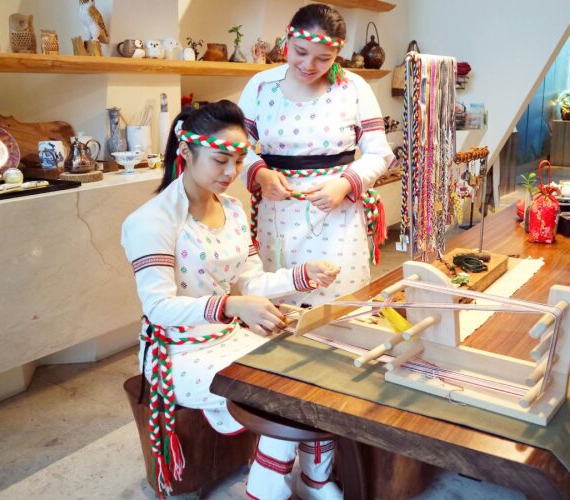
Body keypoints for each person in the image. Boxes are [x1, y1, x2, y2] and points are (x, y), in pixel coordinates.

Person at [120, 101, 341, 499]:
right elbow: (158, 308)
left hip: (228, 335)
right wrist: (229, 306)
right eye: (220, 161)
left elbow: (250, 282)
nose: (231, 173)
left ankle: (314, 479)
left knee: (315, 364)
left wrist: (302, 274)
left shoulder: (234, 210)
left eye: (238, 162)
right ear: (186, 152)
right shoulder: (151, 222)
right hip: (177, 352)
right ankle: (266, 490)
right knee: (278, 390)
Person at [239, 3, 395, 310]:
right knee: (279, 303)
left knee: (337, 304)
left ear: (337, 53)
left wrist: (345, 185)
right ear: (287, 40)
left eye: (324, 58)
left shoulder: (354, 88)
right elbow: (237, 147)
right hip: (278, 214)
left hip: (337, 215)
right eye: (300, 52)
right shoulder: (261, 86)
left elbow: (379, 153)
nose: (309, 65)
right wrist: (261, 173)